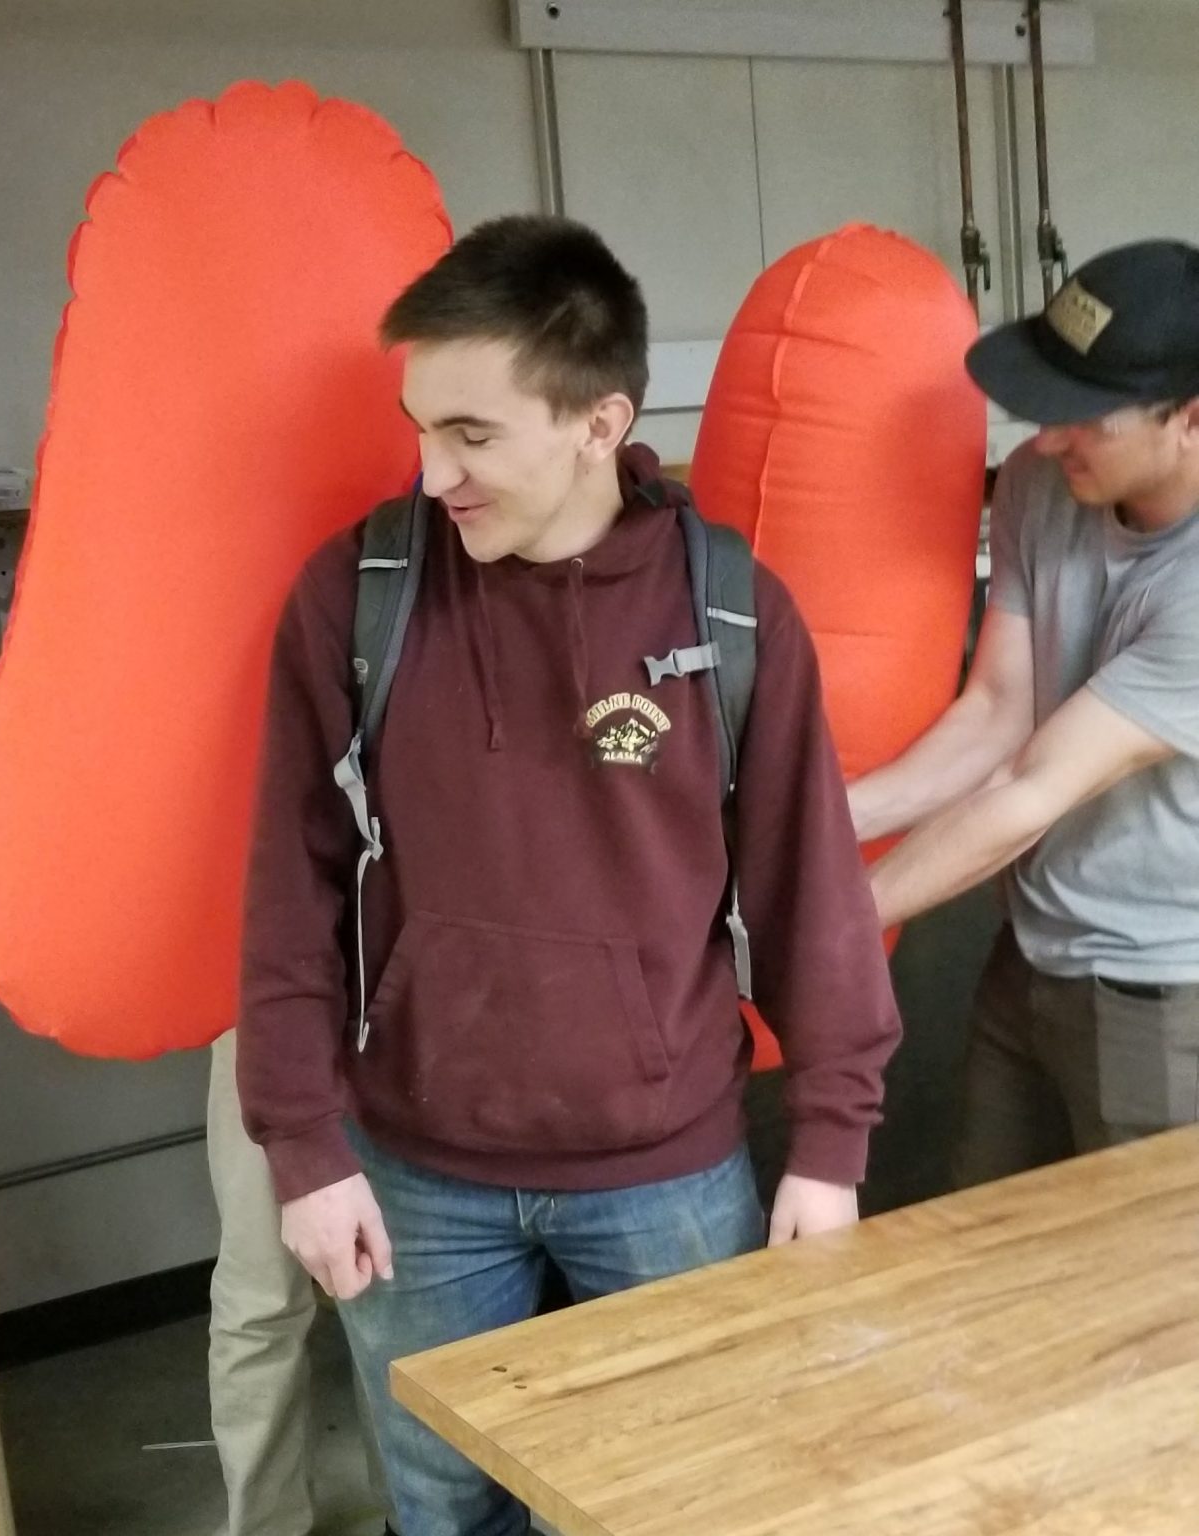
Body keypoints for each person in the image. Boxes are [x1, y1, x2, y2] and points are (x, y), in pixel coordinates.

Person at [236, 213, 901, 1536]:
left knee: (676, 1505)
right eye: (423, 429)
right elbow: (290, 892)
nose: (434, 474)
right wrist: (305, 1148)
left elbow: (808, 888)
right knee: (444, 1507)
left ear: (601, 423)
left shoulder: (728, 612)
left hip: (669, 1178)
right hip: (415, 1178)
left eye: (473, 436)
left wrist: (830, 1145)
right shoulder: (358, 593)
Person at [849, 240, 1199, 1188]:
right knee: (984, 1238)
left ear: (1189, 422)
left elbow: (1029, 784)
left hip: (1159, 986)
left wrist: (829, 920)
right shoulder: (1048, 484)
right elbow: (1000, 713)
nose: (1045, 439)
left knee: (1139, 1302)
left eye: (1086, 418)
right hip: (1031, 948)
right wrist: (827, 828)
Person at [206, 1030, 389, 1536]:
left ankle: (416, 1515)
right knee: (260, 1300)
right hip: (256, 1006)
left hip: (393, 991)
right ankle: (265, 1525)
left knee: (399, 1293)